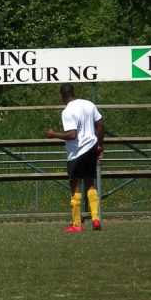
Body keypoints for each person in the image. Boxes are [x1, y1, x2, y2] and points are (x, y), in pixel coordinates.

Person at [45, 83, 104, 232]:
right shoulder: (89, 104)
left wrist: (53, 134)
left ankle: (77, 224)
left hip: (77, 152)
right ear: (73, 92)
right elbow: (100, 125)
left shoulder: (67, 111)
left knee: (75, 184)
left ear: (63, 96)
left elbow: (72, 135)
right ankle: (95, 219)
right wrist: (100, 145)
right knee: (90, 182)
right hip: (91, 147)